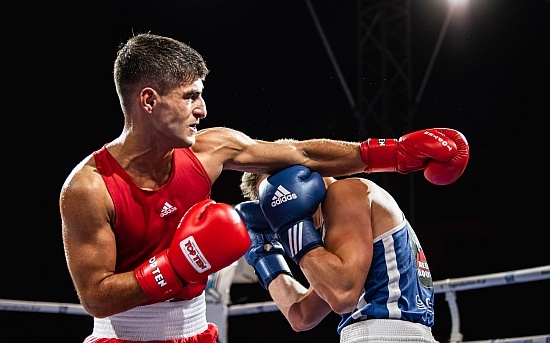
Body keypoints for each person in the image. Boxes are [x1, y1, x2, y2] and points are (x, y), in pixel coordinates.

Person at [59, 32, 468, 343]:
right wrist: (177, 265)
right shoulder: (89, 188)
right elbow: (95, 297)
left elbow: (301, 154)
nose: (202, 109)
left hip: (195, 330)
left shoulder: (212, 148)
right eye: (190, 98)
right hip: (121, 335)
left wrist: (391, 153)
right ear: (149, 101)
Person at [235, 162, 443, 342]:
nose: (278, 211)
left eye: (278, 196)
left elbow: (342, 296)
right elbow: (302, 316)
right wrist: (265, 256)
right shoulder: (341, 244)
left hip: (382, 334)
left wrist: (293, 229)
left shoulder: (346, 191)